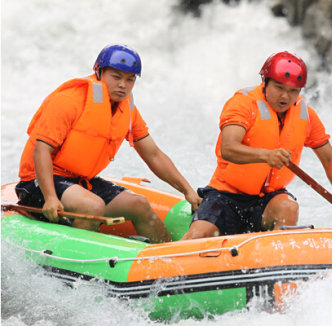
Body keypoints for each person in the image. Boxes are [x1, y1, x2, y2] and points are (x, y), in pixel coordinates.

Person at [15, 44, 201, 243]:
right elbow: (41, 149)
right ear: (99, 72)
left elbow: (153, 154)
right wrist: (50, 197)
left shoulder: (127, 109)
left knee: (139, 204)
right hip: (39, 181)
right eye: (116, 76)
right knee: (92, 206)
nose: (123, 85)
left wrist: (187, 190)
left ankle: (168, 260)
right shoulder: (69, 100)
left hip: (80, 182)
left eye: (130, 79)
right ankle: (80, 263)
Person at [182, 51, 332, 240]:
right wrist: (266, 156)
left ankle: (274, 257)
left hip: (268, 201)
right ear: (265, 81)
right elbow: (228, 148)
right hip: (226, 196)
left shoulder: (305, 115)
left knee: (289, 207)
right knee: (198, 235)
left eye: (293, 90)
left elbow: (329, 158)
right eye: (278, 87)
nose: (285, 96)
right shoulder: (243, 103)